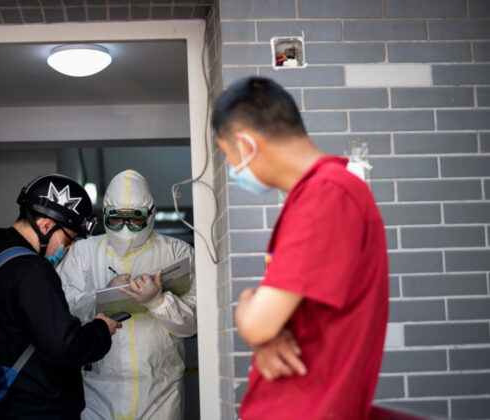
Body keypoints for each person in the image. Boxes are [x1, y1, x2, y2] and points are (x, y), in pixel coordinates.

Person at [212, 77, 389, 419]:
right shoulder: (321, 192)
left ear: (246, 144)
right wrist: (260, 319)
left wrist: (251, 311)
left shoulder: (327, 194)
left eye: (228, 155)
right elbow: (272, 319)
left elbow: (257, 324)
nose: (234, 169)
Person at [0, 174, 122, 420]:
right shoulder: (31, 269)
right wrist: (101, 329)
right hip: (33, 409)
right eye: (68, 239)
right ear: (45, 226)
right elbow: (63, 345)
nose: (67, 249)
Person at [57, 169, 197, 420]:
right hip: (96, 390)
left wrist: (158, 301)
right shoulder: (82, 254)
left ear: (150, 214)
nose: (125, 228)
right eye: (117, 219)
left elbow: (193, 325)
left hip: (160, 390)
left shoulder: (178, 252)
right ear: (105, 214)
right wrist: (103, 295)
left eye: (135, 219)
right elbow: (61, 316)